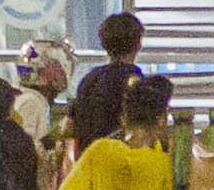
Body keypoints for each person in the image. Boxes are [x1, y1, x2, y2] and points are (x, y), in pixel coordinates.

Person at [63, 13, 150, 155]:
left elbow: (68, 127)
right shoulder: (134, 81)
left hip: (87, 163)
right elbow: (140, 132)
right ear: (138, 45)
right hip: (119, 163)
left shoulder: (89, 79)